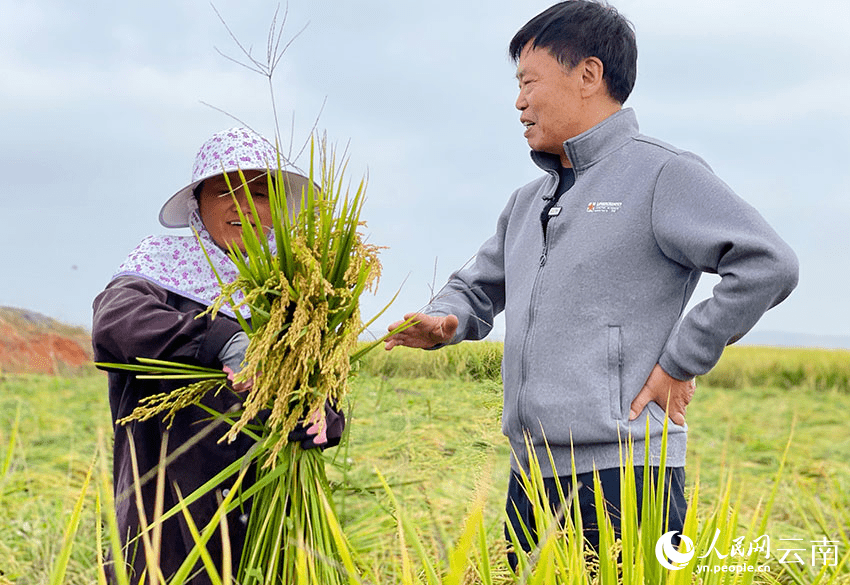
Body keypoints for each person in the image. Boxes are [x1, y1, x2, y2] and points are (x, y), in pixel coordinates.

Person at [385, 0, 798, 567]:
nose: (519, 100)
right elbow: (477, 286)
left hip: (625, 473)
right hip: (530, 473)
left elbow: (767, 263)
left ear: (588, 75)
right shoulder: (528, 202)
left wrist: (683, 359)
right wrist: (446, 318)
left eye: (529, 80)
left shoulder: (661, 174)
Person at [92, 127, 344, 584]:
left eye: (260, 192)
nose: (243, 205)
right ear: (198, 203)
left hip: (266, 518)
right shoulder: (159, 268)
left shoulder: (293, 289)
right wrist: (222, 338)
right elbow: (116, 324)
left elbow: (323, 382)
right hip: (165, 517)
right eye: (225, 189)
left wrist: (320, 414)